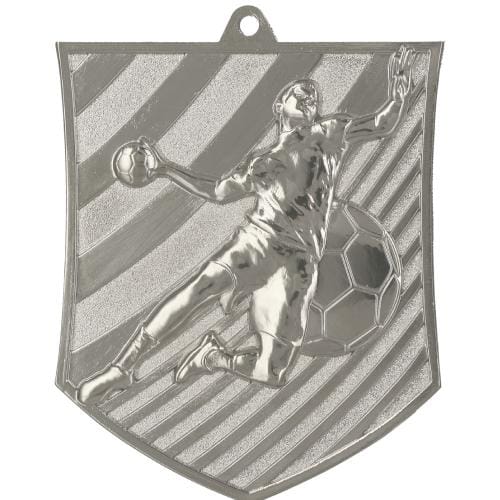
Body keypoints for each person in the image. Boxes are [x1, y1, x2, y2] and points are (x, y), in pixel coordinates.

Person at [77, 46, 415, 405]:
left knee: (272, 373)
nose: (309, 95)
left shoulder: (330, 133)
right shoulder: (263, 162)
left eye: (313, 96)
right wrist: (165, 169)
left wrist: (398, 96)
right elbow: (218, 191)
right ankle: (122, 367)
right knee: (198, 290)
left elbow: (382, 124)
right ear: (280, 107)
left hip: (299, 262)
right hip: (258, 241)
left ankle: (212, 357)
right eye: (299, 92)